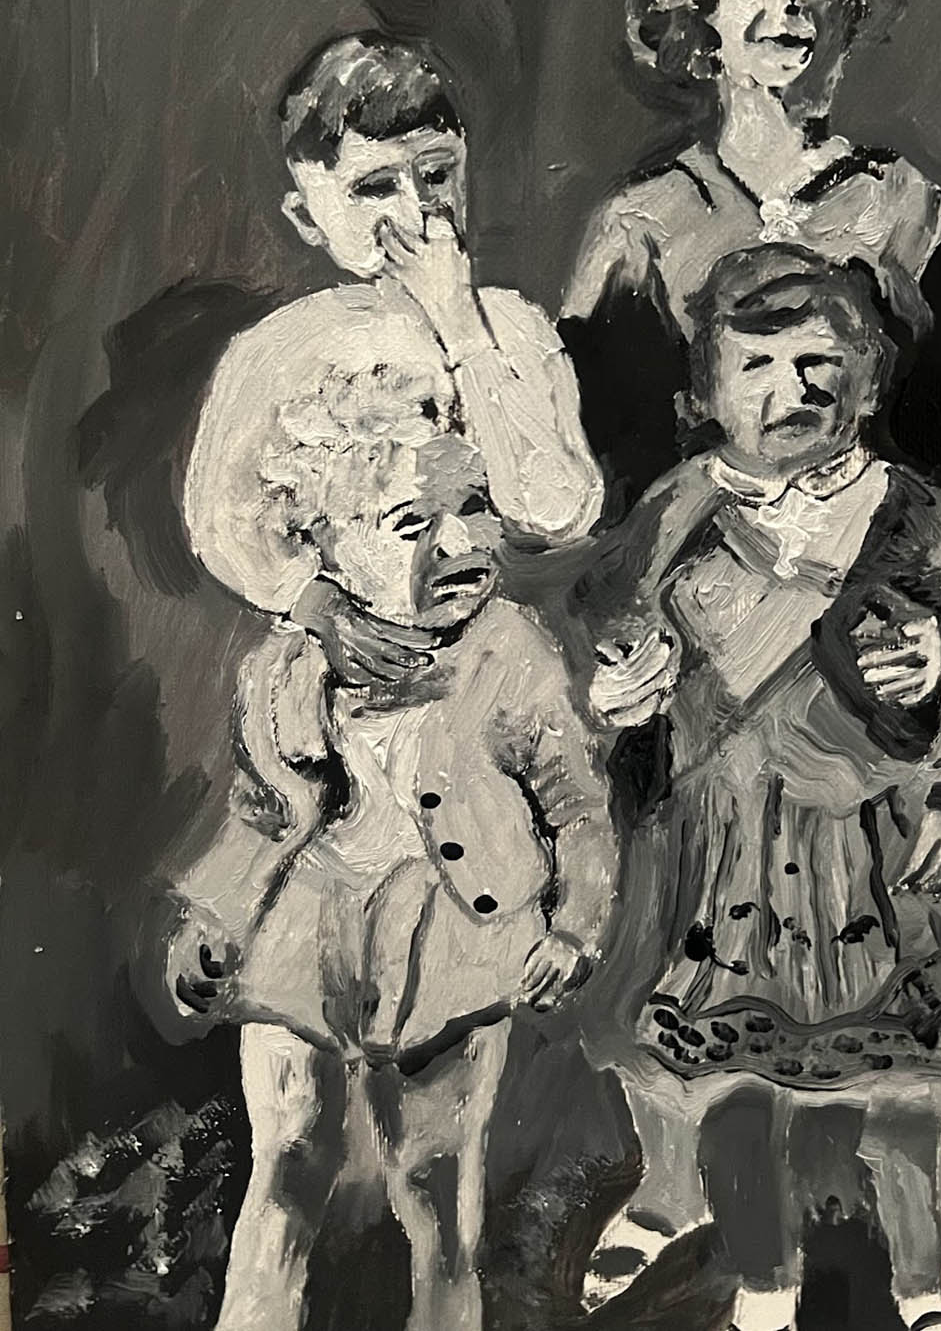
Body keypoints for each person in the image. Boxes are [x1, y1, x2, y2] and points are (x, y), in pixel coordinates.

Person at [576, 246, 941, 1331]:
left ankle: (930, 1275)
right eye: (760, 366)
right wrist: (620, 676)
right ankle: (764, 1281)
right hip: (722, 854)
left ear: (866, 384)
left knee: (914, 1075)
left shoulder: (908, 512)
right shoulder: (680, 508)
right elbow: (608, 611)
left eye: (821, 364)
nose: (794, 389)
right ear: (706, 394)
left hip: (878, 845)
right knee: (735, 1082)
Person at [166, 366, 617, 1331]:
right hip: (304, 934)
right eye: (413, 524)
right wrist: (214, 921)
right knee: (289, 1158)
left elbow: (577, 805)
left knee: (436, 1181)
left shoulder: (511, 651)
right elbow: (260, 811)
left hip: (455, 940)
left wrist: (576, 925)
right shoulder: (287, 666)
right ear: (324, 550)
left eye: (475, 509)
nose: (460, 543)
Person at [560, 0, 941, 543]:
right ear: (704, 7)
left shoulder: (916, 220)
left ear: (854, 0)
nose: (786, 4)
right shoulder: (639, 228)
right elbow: (605, 474)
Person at [186, 29, 605, 678]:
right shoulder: (277, 350)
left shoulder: (514, 328)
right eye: (375, 187)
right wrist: (318, 606)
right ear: (307, 218)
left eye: (436, 174)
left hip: (495, 655)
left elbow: (557, 509)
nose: (418, 210)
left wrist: (460, 324)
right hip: (345, 658)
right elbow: (221, 517)